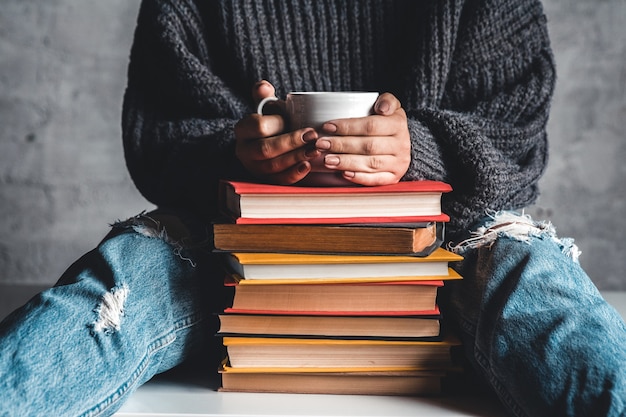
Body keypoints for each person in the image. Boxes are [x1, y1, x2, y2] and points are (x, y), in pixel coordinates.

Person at [1, 0, 625, 416]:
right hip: (227, 229)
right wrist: (237, 150)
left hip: (451, 230)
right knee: (105, 294)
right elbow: (159, 130)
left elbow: (517, 131)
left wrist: (420, 150)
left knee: (543, 293)